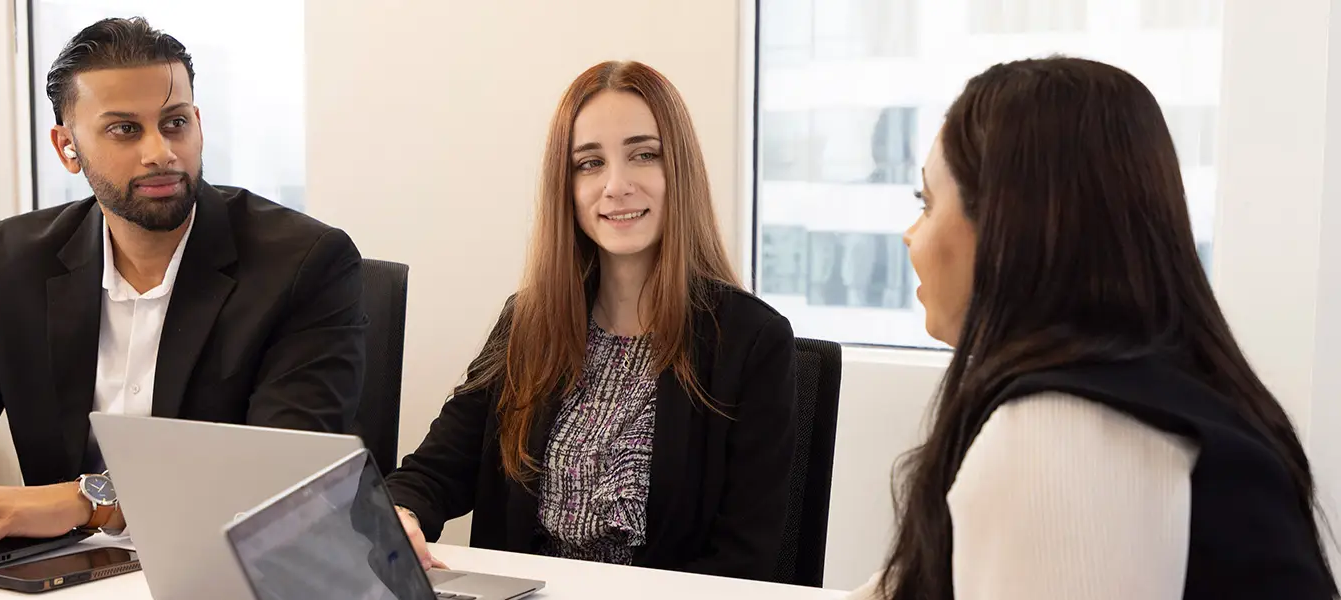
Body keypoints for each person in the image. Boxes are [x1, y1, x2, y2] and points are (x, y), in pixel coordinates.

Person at [0, 17, 367, 557]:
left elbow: (282, 476)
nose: (160, 152)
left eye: (174, 123)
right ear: (67, 147)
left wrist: (91, 499)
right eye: (125, 129)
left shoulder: (304, 262)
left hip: (234, 568)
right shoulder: (18, 259)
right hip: (65, 574)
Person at [846, 57, 1337, 599]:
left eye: (927, 203)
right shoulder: (1151, 400)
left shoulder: (1063, 433)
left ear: (1007, 231)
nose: (910, 236)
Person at [384, 60, 798, 582]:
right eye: (589, 163)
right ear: (567, 186)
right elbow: (434, 470)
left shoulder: (752, 341)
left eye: (644, 155)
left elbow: (744, 561)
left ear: (681, 171)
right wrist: (399, 514)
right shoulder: (529, 321)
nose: (616, 185)